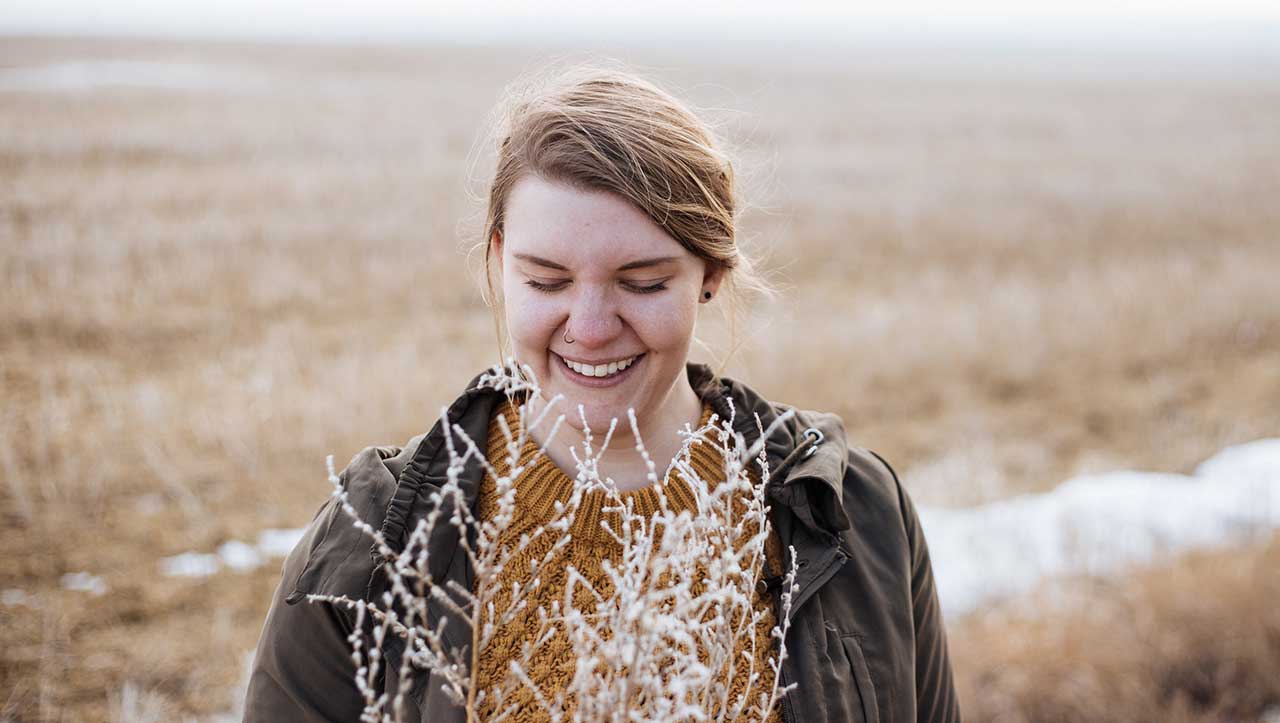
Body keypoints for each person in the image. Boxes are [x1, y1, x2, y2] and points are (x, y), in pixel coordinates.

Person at [243, 65, 960, 723]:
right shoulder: (369, 545)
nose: (588, 328)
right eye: (546, 280)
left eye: (642, 282)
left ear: (709, 271)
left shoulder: (857, 515)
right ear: (497, 261)